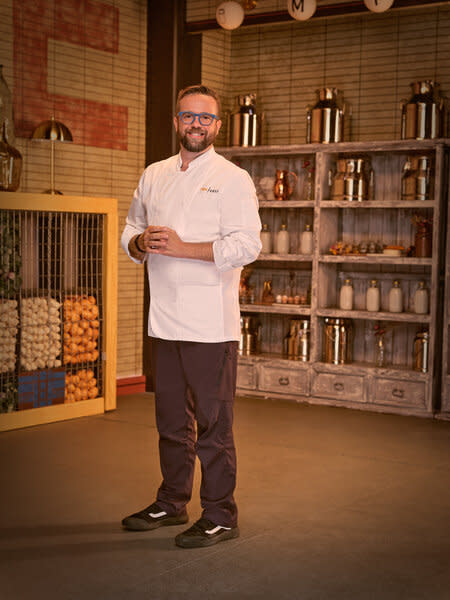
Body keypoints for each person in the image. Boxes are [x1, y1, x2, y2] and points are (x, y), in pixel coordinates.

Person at [120, 84, 261, 548]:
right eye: (188, 115)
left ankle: (221, 514)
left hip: (210, 326)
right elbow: (132, 228)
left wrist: (185, 248)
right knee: (169, 423)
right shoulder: (154, 174)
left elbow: (247, 246)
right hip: (164, 320)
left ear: (217, 126)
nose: (196, 124)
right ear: (176, 121)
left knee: (213, 427)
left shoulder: (232, 178)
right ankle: (172, 500)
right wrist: (139, 244)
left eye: (206, 118)